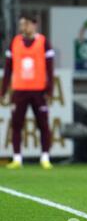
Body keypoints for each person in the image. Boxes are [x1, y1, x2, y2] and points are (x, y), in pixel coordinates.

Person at [0, 14, 55, 170]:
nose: (22, 27)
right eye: (21, 24)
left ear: (34, 25)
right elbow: (8, 68)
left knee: (43, 125)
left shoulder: (43, 42)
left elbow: (50, 69)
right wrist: (3, 90)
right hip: (19, 90)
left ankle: (45, 157)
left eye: (25, 24)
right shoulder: (15, 42)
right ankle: (17, 158)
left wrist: (49, 90)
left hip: (39, 91)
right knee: (17, 125)